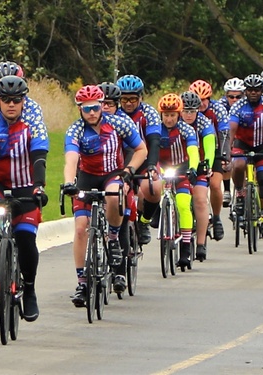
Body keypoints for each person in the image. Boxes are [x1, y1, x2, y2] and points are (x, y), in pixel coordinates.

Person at [62, 85, 147, 306]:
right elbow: (71, 160)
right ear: (79, 109)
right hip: (87, 176)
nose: (91, 112)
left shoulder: (118, 123)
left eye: (95, 107)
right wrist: (69, 183)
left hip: (113, 174)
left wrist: (129, 171)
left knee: (113, 193)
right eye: (86, 108)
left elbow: (141, 150)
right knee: (81, 228)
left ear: (102, 106)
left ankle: (112, 238)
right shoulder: (76, 130)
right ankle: (82, 282)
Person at [0, 76, 49, 321]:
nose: (11, 104)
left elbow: (39, 156)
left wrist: (39, 186)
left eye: (17, 100)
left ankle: (29, 289)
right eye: (6, 99)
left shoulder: (34, 123)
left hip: (25, 184)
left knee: (26, 240)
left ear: (24, 101)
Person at [227, 74, 263, 238]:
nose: (253, 93)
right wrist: (227, 150)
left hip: (262, 144)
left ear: (262, 91)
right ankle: (240, 193)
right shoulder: (238, 106)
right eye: (250, 90)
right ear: (245, 91)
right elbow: (232, 130)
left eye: (256, 90)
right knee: (238, 165)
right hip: (242, 143)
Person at [154, 94, 202, 267]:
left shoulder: (186, 129)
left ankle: (186, 248)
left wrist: (193, 169)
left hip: (182, 168)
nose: (169, 119)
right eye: (166, 115)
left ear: (179, 114)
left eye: (172, 115)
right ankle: (156, 213)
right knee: (151, 189)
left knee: (182, 203)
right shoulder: (155, 129)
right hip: (161, 167)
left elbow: (193, 152)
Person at [115, 75, 162, 246]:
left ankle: (144, 222)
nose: (128, 103)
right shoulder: (113, 113)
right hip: (120, 160)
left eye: (133, 99)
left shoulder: (148, 113)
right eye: (124, 99)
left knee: (153, 188)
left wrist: (151, 166)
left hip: (145, 158)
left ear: (140, 97)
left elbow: (155, 141)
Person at [188, 80, 228, 243]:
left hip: (213, 151)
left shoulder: (217, 109)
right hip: (189, 153)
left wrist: (225, 155)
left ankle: (217, 217)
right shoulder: (185, 109)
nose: (202, 103)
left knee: (215, 184)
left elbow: (225, 133)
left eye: (205, 99)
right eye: (199, 99)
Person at [180, 91, 216, 260]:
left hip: (199, 164)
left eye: (192, 111)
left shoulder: (204, 122)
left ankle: (201, 243)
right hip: (178, 165)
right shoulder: (173, 121)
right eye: (185, 111)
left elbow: (209, 146)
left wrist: (207, 163)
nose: (188, 115)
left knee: (200, 200)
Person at [216, 78, 246, 208]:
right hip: (226, 134)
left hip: (243, 135)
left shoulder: (246, 105)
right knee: (225, 154)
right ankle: (227, 189)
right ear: (226, 95)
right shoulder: (221, 106)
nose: (234, 99)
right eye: (231, 96)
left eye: (238, 96)